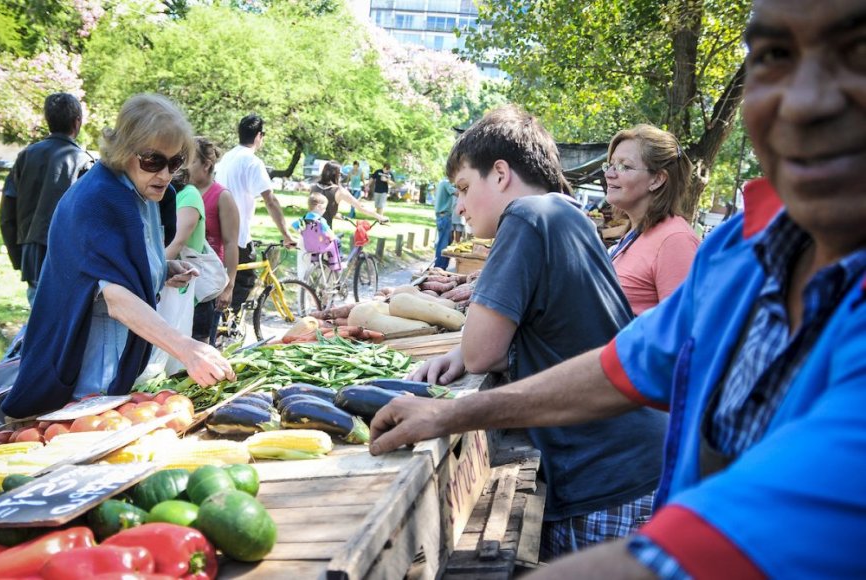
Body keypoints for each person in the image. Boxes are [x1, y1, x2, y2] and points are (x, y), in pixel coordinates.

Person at [370, 0, 866, 576]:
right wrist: (449, 416)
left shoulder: (564, 223)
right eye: (776, 54)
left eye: (858, 52)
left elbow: (710, 553)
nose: (804, 102)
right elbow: (622, 367)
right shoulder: (739, 250)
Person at [405, 106, 667, 559]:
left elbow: (482, 351)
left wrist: (469, 352)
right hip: (639, 460)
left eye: (465, 188)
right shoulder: (567, 214)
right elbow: (558, 334)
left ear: (501, 173)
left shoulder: (526, 217)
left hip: (607, 474)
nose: (461, 205)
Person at [1, 94, 234, 419]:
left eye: (175, 162)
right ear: (125, 151)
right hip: (80, 376)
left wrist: (163, 269)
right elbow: (115, 297)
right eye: (153, 160)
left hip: (111, 372)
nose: (165, 175)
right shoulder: (98, 199)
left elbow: (114, 264)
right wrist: (187, 348)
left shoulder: (142, 192)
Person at [0, 92, 94, 305]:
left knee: (39, 327)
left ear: (48, 120)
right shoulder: (85, 163)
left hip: (33, 257)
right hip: (70, 261)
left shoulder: (25, 156)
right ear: (77, 121)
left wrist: (19, 257)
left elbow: (6, 215)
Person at [603, 124, 700, 314]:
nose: (609, 174)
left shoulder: (675, 240)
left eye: (624, 166)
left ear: (657, 180)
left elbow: (682, 331)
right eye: (610, 164)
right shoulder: (636, 232)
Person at [214, 114, 296, 311]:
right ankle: (225, 324)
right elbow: (270, 200)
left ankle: (221, 322)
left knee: (222, 280)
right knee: (245, 280)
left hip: (218, 227)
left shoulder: (228, 157)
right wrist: (286, 234)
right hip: (237, 232)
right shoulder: (251, 161)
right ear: (259, 135)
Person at [188, 137, 240, 343]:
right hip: (182, 277)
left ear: (206, 165)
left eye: (189, 161)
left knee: (200, 342)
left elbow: (230, 243)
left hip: (207, 282)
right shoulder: (181, 190)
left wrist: (229, 286)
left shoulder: (222, 196)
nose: (182, 166)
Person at [311, 161, 387, 228]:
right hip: (324, 233)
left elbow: (317, 209)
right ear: (336, 174)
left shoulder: (314, 187)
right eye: (339, 174)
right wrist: (379, 217)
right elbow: (360, 207)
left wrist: (334, 214)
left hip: (308, 229)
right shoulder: (339, 191)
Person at [433, 177, 455, 269]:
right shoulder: (446, 183)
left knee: (447, 242)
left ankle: (442, 266)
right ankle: (439, 267)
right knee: (443, 243)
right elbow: (457, 192)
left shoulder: (442, 182)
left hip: (444, 216)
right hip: (444, 216)